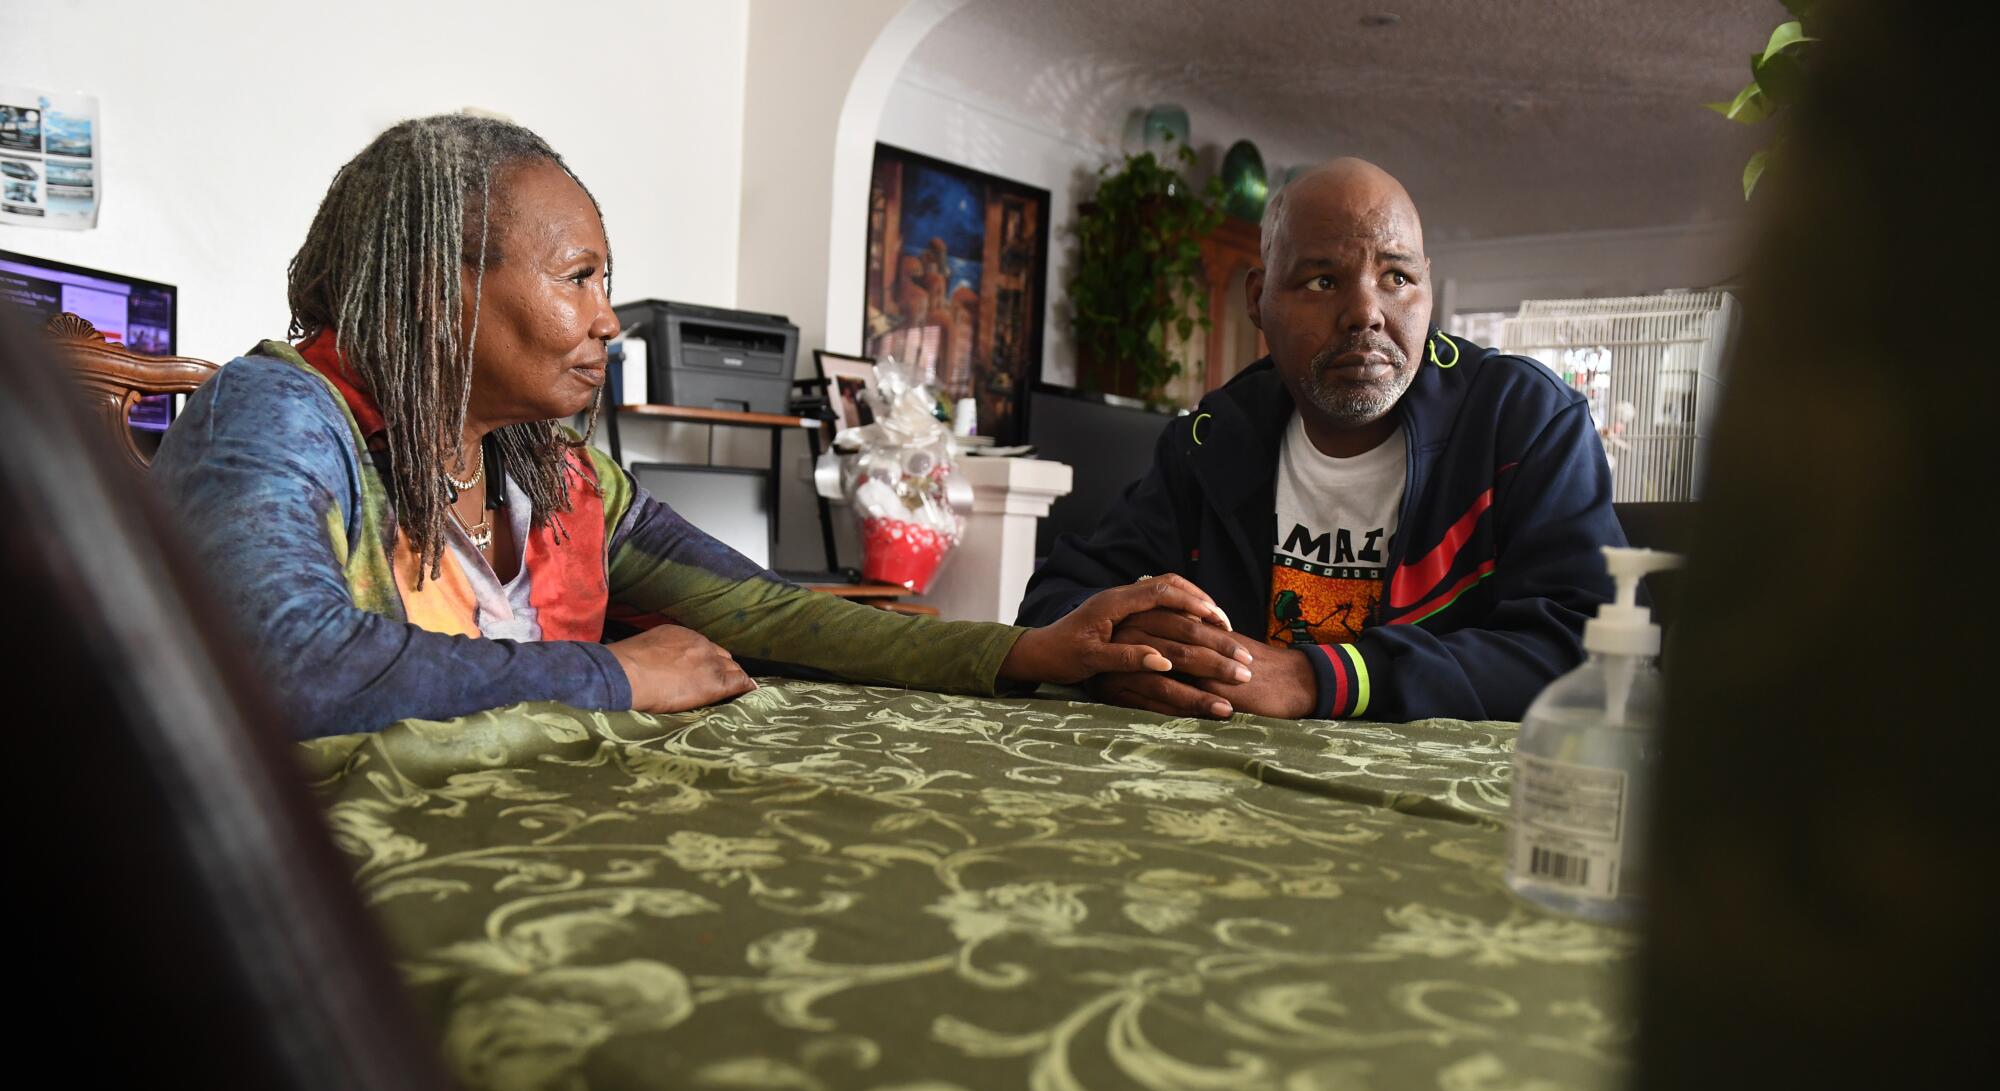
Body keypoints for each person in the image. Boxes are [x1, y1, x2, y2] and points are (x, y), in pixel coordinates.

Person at [152, 115, 1230, 740]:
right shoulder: (277, 413)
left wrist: (1028, 651)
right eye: (579, 279)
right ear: (440, 288)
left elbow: (779, 617)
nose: (609, 322)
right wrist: (615, 679)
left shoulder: (557, 480)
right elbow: (273, 668)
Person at [1018, 158, 1625, 723]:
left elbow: (1597, 651)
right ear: (1258, 300)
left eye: (1397, 277)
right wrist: (1129, 650)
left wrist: (1317, 679)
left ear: (1428, 290)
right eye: (1322, 281)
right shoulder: (1212, 441)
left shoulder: (1523, 421)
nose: (1366, 311)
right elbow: (1059, 598)